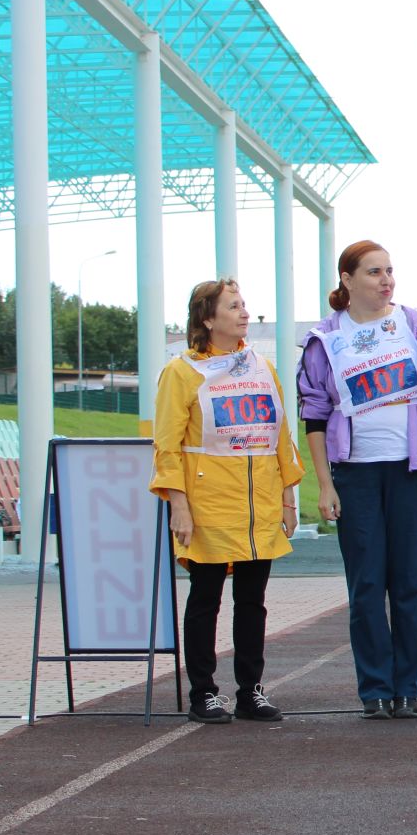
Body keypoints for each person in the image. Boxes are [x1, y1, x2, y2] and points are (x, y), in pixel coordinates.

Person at [299, 241, 417, 720]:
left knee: (408, 583)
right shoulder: (325, 338)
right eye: (373, 272)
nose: (386, 280)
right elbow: (314, 414)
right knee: (366, 586)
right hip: (355, 475)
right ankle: (374, 688)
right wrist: (325, 484)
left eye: (389, 271)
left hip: (411, 471)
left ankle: (408, 686)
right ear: (347, 280)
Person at [150, 279, 304, 724]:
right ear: (207, 317)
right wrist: (178, 503)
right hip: (209, 503)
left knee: (253, 601)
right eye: (233, 306)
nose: (243, 314)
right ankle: (203, 692)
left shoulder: (261, 366)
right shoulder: (182, 372)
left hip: (258, 504)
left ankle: (250, 691)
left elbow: (279, 435)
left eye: (244, 306)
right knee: (206, 599)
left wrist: (287, 498)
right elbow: (168, 444)